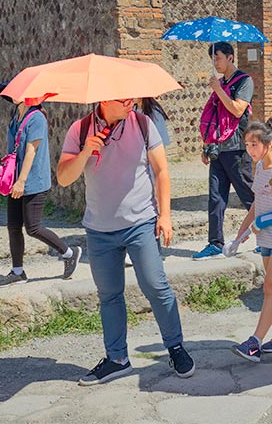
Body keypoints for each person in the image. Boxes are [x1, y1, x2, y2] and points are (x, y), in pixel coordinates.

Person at [57, 97, 194, 385]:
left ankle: (176, 347)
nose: (131, 101)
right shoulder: (80, 130)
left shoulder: (144, 124)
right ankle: (117, 359)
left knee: (156, 286)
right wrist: (85, 153)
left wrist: (165, 215)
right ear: (106, 99)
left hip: (140, 223)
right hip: (99, 229)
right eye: (123, 98)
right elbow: (63, 178)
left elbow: (161, 171)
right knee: (109, 295)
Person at [0, 84, 81, 287]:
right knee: (14, 226)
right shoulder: (17, 115)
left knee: (32, 227)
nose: (11, 95)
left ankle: (69, 253)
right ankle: (18, 272)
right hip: (15, 181)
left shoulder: (37, 117)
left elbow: (32, 151)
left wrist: (22, 181)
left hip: (33, 181)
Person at [230, 119, 272, 362]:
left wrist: (262, 223)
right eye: (247, 144)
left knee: (270, 286)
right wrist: (240, 234)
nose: (250, 149)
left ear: (268, 144)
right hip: (266, 237)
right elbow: (258, 203)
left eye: (254, 144)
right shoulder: (260, 168)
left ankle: (255, 342)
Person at [194, 42, 255, 260]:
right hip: (218, 149)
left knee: (250, 196)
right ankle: (215, 243)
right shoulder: (221, 83)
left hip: (237, 148)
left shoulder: (244, 81)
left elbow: (238, 109)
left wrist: (218, 90)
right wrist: (206, 145)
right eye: (212, 59)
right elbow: (213, 118)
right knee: (216, 197)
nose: (215, 62)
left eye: (218, 58)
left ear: (230, 57)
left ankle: (268, 237)